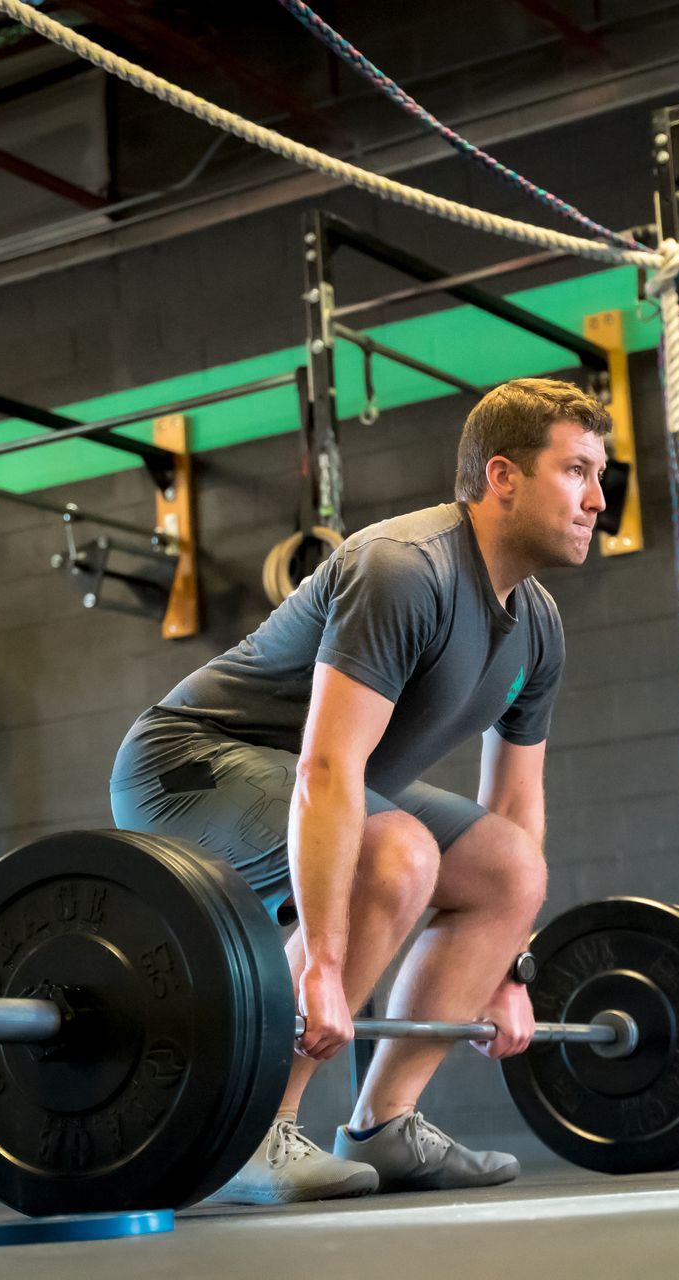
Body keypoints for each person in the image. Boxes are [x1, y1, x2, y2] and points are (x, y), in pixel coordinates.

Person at [111, 378, 607, 1203]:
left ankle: (386, 1123)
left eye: (600, 476)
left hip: (312, 784)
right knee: (396, 852)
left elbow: (515, 809)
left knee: (509, 870)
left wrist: (509, 968)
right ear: (503, 477)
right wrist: (324, 967)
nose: (598, 499)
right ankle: (253, 1131)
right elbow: (328, 770)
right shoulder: (405, 569)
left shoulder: (540, 624)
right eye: (577, 472)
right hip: (188, 766)